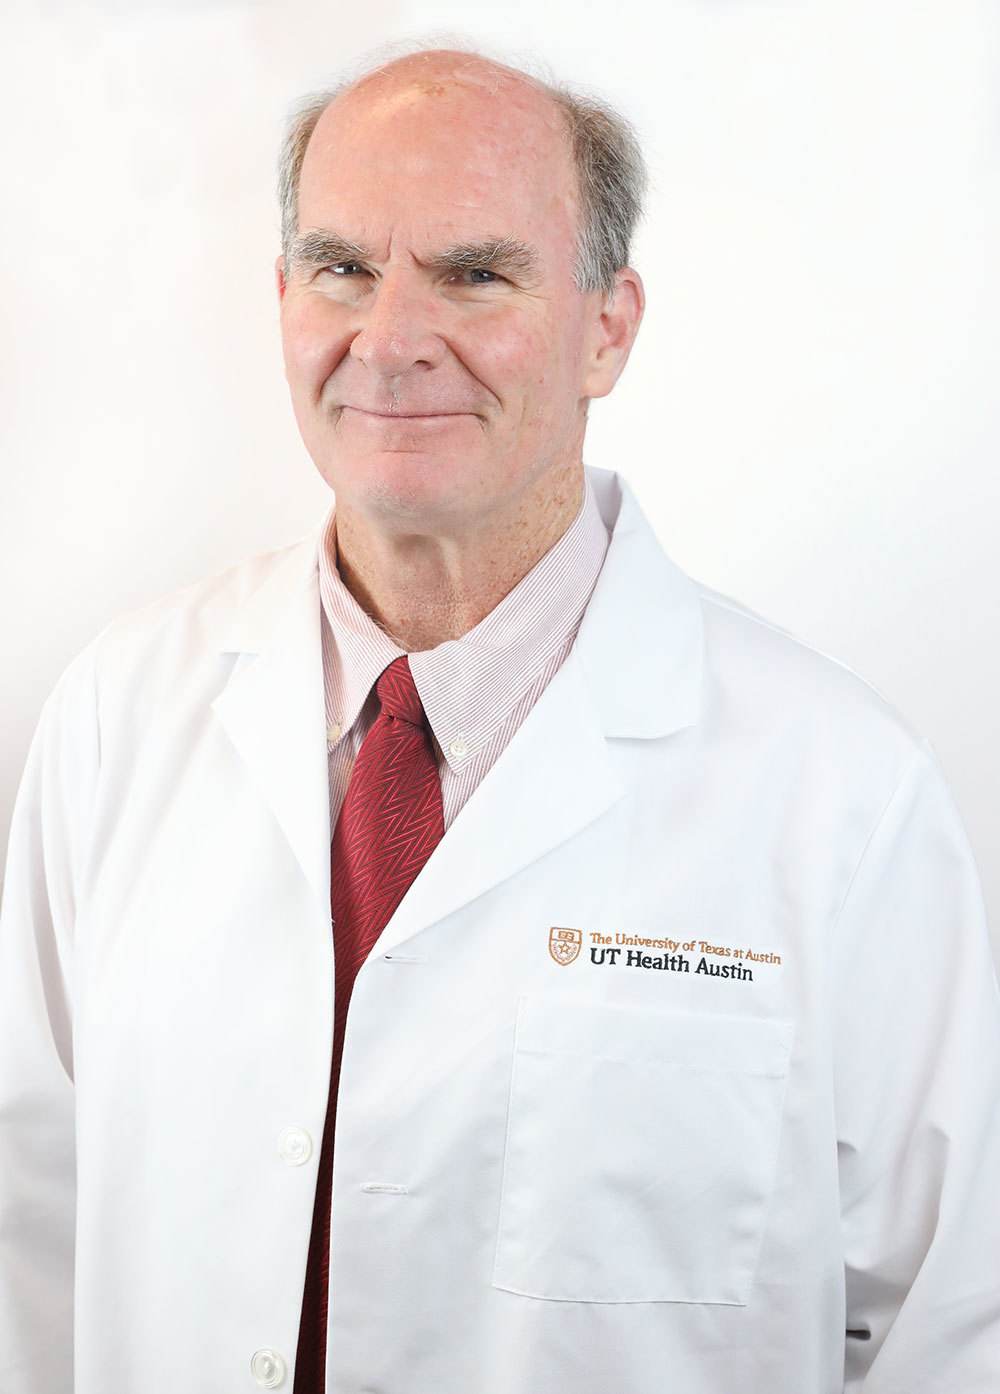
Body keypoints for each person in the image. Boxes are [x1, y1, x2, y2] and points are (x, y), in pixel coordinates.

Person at [1, 43, 998, 1394]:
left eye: (474, 273)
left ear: (609, 328)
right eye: (344, 266)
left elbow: (950, 1331)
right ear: (283, 297)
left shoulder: (843, 797)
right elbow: (31, 1244)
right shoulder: (118, 717)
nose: (392, 337)